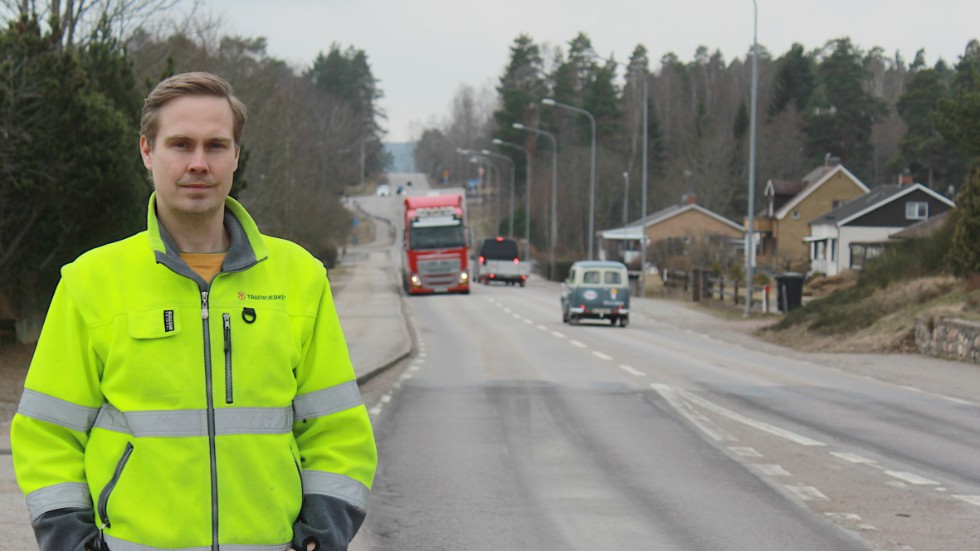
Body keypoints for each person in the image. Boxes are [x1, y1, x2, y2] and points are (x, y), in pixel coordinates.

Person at [11, 72, 377, 551]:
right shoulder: (90, 282)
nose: (199, 163)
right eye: (181, 144)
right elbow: (47, 437)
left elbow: (338, 433)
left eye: (216, 146)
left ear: (236, 156)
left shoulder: (300, 278)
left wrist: (318, 542)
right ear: (147, 150)